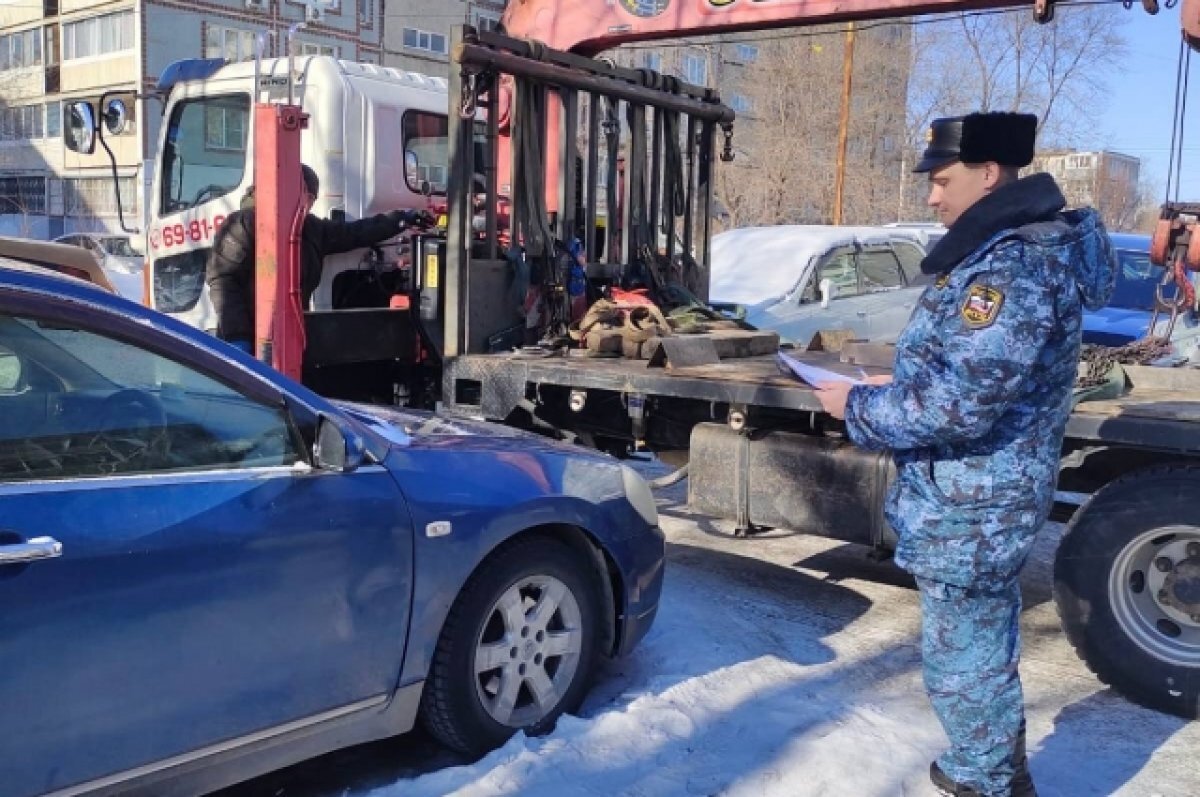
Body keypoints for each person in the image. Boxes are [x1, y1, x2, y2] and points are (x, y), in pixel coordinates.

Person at [813, 112, 1115, 797]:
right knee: (980, 644)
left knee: (965, 656)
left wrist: (855, 406)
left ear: (988, 174)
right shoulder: (1008, 250)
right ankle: (992, 767)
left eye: (942, 180)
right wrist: (905, 382)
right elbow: (972, 375)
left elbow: (962, 404)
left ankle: (986, 781)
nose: (931, 197)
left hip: (975, 502)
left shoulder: (1011, 265)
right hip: (978, 494)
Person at [206, 164, 428, 352]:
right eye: (307, 196)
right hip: (249, 337)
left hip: (289, 337)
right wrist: (238, 338)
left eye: (312, 199)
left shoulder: (310, 228)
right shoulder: (244, 223)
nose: (308, 204)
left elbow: (355, 232)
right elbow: (223, 280)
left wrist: (401, 219)